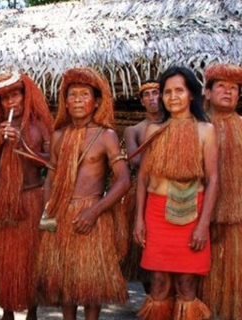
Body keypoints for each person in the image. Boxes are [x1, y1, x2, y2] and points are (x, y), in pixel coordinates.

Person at [36, 67, 130, 320]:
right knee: (67, 284)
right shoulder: (58, 136)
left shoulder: (106, 135)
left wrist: (95, 211)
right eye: (72, 94)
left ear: (96, 101)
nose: (77, 99)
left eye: (84, 94)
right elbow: (51, 180)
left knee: (92, 286)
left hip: (93, 216)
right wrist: (49, 213)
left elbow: (123, 180)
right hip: (62, 214)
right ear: (65, 102)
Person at [134, 66, 217, 320]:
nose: (172, 97)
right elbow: (143, 178)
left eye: (179, 90)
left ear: (191, 94)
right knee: (158, 283)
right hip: (156, 214)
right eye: (166, 92)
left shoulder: (206, 131)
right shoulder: (154, 131)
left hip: (193, 213)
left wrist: (203, 225)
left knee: (186, 284)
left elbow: (213, 179)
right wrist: (138, 219)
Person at [0, 69, 53, 320]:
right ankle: (7, 312)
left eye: (15, 94)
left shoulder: (40, 127)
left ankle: (32, 312)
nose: (11, 102)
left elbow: (52, 164)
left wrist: (22, 144)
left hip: (31, 200)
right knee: (4, 260)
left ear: (25, 95)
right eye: (4, 98)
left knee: (31, 260)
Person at [200, 63, 242, 320]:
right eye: (222, 87)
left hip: (238, 218)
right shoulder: (197, 127)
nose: (228, 92)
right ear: (207, 92)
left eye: (234, 88)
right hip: (200, 218)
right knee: (201, 281)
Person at [121, 80, 162, 292]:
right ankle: (152, 299)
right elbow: (134, 161)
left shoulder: (175, 125)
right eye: (147, 95)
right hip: (142, 192)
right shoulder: (133, 130)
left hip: (168, 191)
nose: (152, 98)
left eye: (156, 93)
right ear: (141, 101)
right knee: (144, 249)